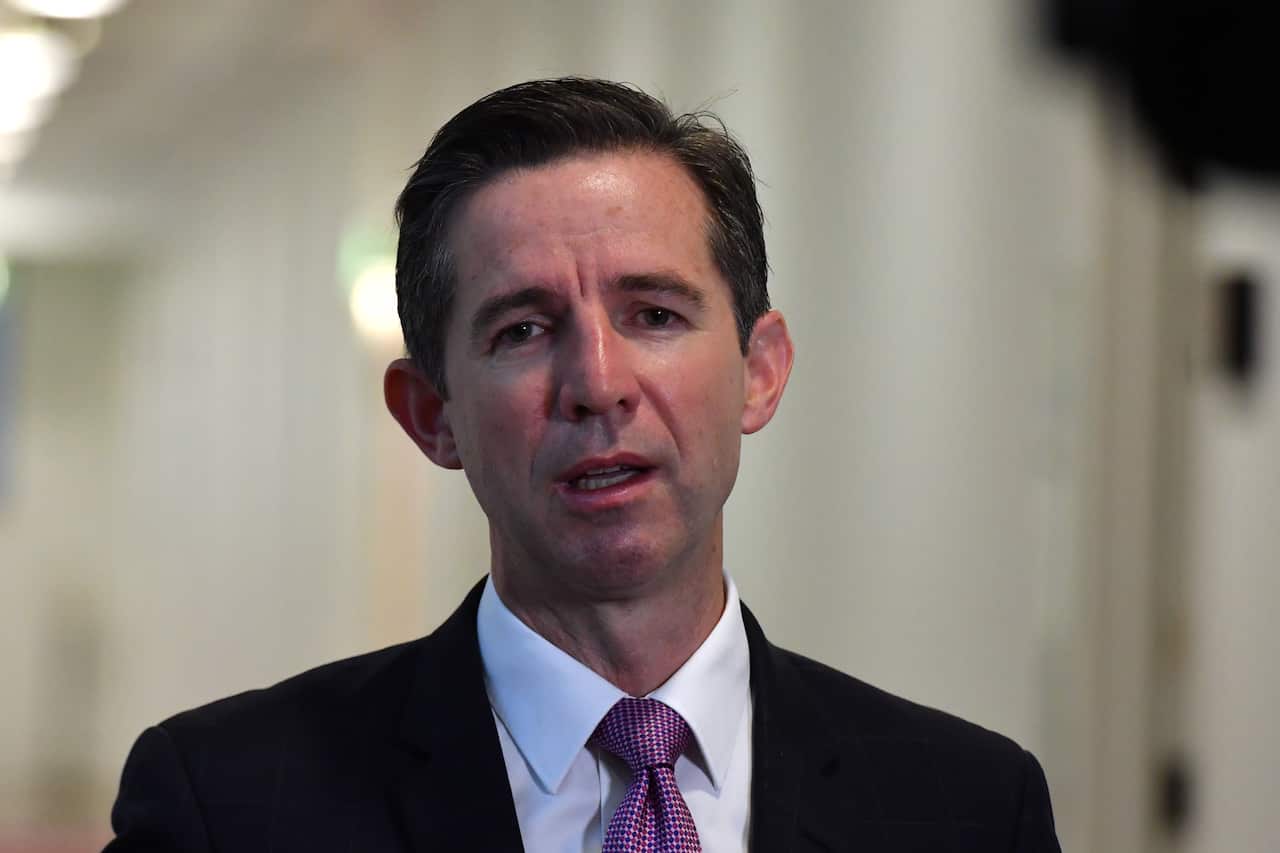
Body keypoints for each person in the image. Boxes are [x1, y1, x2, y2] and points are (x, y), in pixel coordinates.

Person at [105, 77, 1061, 852]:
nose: (597, 383)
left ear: (760, 373)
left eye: (654, 313)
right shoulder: (227, 810)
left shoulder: (968, 810)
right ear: (431, 414)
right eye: (523, 329)